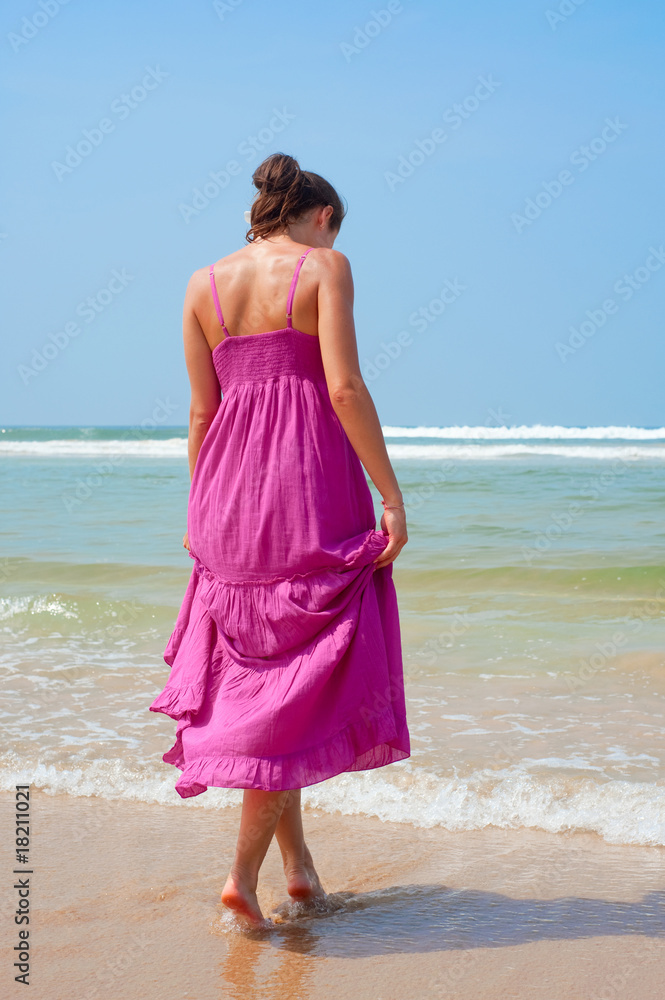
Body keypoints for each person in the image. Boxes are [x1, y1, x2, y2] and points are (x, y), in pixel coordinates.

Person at [149, 151, 410, 927]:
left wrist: (200, 509)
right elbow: (343, 387)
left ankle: (299, 870)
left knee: (272, 682)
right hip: (308, 490)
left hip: (223, 497)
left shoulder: (201, 284)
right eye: (333, 228)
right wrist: (390, 495)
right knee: (294, 686)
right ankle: (241, 876)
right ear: (322, 216)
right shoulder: (325, 267)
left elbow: (201, 412)